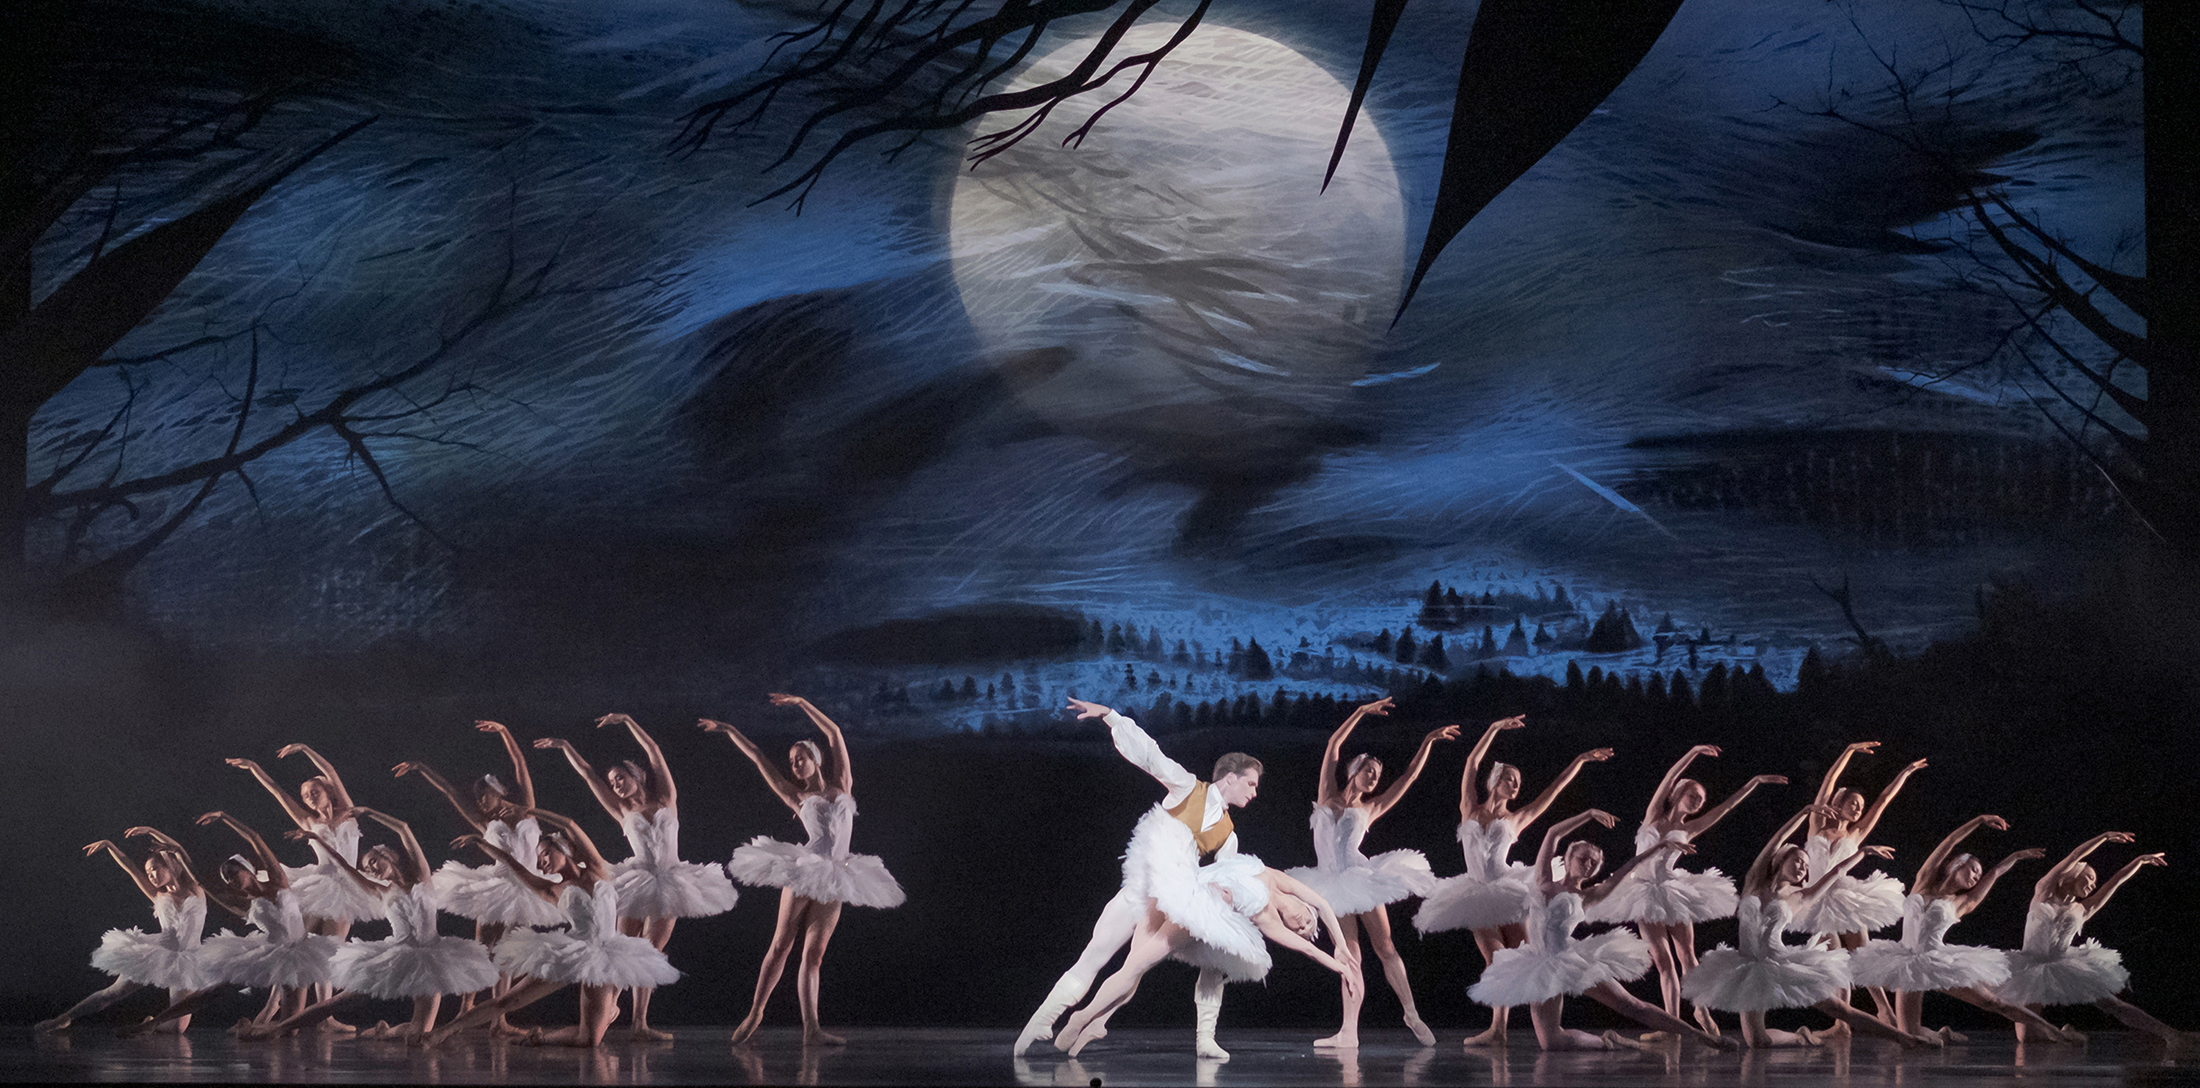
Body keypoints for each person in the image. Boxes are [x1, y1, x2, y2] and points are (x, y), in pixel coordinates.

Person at [1012, 697, 1265, 1058]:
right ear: (1230, 778)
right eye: (1251, 784)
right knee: (1094, 956)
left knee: (1140, 969)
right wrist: (1113, 717)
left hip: (1166, 906)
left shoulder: (1228, 834)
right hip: (1137, 891)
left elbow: (1227, 876)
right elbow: (1150, 755)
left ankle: (1197, 1036)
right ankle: (1041, 1022)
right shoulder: (1187, 787)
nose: (1254, 792)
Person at [714, 694, 904, 1046]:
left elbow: (833, 735)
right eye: (792, 760)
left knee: (814, 954)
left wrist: (802, 703)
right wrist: (729, 731)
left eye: (801, 758)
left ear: (815, 761)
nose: (795, 763)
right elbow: (758, 756)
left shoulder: (842, 785)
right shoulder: (796, 797)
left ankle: (812, 1029)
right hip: (806, 869)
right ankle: (756, 1011)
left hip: (838, 874)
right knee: (782, 944)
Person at [536, 713, 737, 1040]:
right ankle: (609, 1008)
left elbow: (654, 750)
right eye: (613, 781)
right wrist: (564, 746)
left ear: (637, 776)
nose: (615, 783)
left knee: (650, 953)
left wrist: (628, 721)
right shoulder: (622, 811)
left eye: (619, 777)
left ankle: (640, 1023)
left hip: (671, 881)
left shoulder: (666, 800)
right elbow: (589, 776)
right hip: (635, 880)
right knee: (620, 948)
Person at [1413, 715, 1612, 1045]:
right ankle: (1498, 1030)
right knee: (1494, 959)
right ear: (1495, 781)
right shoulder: (1469, 809)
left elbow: (1554, 790)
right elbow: (1472, 761)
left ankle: (1551, 1024)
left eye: (1518, 781)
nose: (1516, 785)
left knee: (1528, 957)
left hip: (1510, 890)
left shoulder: (1517, 818)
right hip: (1476, 893)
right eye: (1510, 779)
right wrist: (1492, 729)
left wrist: (1579, 761)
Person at [1467, 809, 1734, 1051]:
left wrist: (1660, 846)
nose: (1589, 864)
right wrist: (1588, 814)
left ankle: (1702, 1036)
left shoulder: (1589, 896)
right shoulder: (1544, 881)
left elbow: (1627, 868)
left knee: (1631, 1005)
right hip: (1538, 963)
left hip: (1570, 960)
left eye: (1594, 862)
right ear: (1569, 858)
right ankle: (1608, 1042)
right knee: (1551, 1042)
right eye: (1584, 858)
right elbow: (1552, 833)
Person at [423, 809, 680, 1048]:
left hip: (607, 953)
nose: (542, 862)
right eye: (539, 859)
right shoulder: (552, 889)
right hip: (572, 950)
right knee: (510, 1000)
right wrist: (483, 844)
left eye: (545, 853)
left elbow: (569, 824)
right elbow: (517, 868)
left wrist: (530, 812)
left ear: (563, 848)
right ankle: (445, 1031)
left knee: (589, 1039)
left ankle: (541, 1038)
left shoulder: (596, 869)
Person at [1683, 804, 1932, 1047]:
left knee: (1838, 1009)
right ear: (1782, 860)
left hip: (1779, 962)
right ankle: (1799, 1036)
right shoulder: (1755, 883)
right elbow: (1777, 839)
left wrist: (1862, 853)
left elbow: (1834, 872)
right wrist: (1802, 813)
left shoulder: (1799, 898)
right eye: (1799, 861)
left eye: (1805, 866)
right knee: (1757, 1041)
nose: (1803, 868)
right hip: (1746, 966)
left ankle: (1904, 1037)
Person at [1052, 866, 1364, 1059]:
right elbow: (1324, 903)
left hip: (1200, 911)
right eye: (1307, 920)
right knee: (1132, 968)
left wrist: (1335, 963)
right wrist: (1338, 944)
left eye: (1301, 929)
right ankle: (1088, 1021)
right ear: (1306, 905)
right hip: (1181, 888)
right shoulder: (1271, 875)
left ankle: (1083, 1018)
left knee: (1138, 966)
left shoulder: (1269, 920)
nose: (1301, 924)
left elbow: (1307, 950)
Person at [1284, 697, 1454, 1047]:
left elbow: (1407, 778)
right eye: (1369, 771)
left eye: (1377, 775)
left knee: (1386, 946)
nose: (1375, 777)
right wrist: (1360, 713)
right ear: (1354, 771)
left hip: (1360, 879)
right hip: (1329, 882)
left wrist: (1426, 743)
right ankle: (1348, 1031)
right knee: (1350, 954)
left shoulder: (1371, 807)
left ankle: (1411, 1013)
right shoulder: (1327, 794)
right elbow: (1334, 745)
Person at [246, 807, 499, 1041]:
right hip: (396, 956)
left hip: (433, 958)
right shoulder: (381, 891)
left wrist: (368, 811)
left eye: (374, 862)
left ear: (388, 857)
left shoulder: (422, 878)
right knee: (337, 1002)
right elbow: (344, 867)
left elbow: (403, 827)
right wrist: (319, 840)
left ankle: (384, 1032)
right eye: (368, 867)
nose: (372, 869)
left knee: (419, 1036)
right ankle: (278, 1028)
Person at [1588, 744, 1784, 1035]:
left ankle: (1701, 1011)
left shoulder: (1690, 828)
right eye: (1692, 795)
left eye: (1701, 799)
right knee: (1663, 961)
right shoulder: (1653, 815)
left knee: (1687, 956)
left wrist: (1752, 784)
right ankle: (1672, 1025)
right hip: (1642, 892)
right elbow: (1670, 775)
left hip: (1673, 891)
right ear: (1677, 794)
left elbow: (1726, 808)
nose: (1697, 801)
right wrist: (1693, 752)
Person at [1847, 814, 2075, 1044]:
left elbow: (1994, 873)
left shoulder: (1962, 903)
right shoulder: (1923, 881)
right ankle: (1942, 1034)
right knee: (1909, 1035)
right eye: (1973, 869)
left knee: (1992, 1003)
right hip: (1906, 960)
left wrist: (2015, 857)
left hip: (1937, 960)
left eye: (1978, 875)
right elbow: (1950, 842)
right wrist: (1979, 821)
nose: (1976, 877)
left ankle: (2050, 1030)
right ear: (1957, 864)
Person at [397, 721, 562, 1033]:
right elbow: (449, 792)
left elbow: (519, 763)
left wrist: (504, 731)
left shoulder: (527, 810)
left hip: (526, 886)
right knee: (481, 949)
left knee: (508, 952)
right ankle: (465, 1009)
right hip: (495, 886)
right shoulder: (483, 823)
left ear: (498, 792)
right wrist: (422, 768)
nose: (480, 802)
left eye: (484, 795)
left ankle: (499, 1019)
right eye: (477, 797)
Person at [1998, 832, 2198, 1050]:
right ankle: (2065, 1036)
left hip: (2063, 964)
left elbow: (2115, 881)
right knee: (2026, 1039)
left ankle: (2172, 1035)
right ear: (2073, 874)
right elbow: (2074, 855)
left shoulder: (2083, 909)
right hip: (2030, 966)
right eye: (2090, 878)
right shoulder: (2044, 892)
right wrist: (2103, 838)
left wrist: (2138, 861)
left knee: (2112, 1004)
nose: (2093, 884)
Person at [229, 744, 380, 1030]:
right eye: (305, 796)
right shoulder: (307, 820)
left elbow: (331, 772)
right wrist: (255, 768)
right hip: (317, 884)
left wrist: (305, 749)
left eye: (314, 792)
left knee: (330, 950)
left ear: (328, 791)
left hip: (345, 887)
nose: (309, 798)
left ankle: (325, 1015)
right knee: (297, 946)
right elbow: (278, 793)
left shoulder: (348, 813)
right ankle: (272, 1007)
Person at [1787, 741, 1925, 1023]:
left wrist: (1906, 773)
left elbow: (1883, 801)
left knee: (1863, 956)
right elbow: (1829, 781)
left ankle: (1884, 1009)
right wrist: (1848, 751)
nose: (1859, 809)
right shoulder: (1816, 825)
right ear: (1838, 803)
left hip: (1846, 898)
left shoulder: (1856, 835)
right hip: (1816, 901)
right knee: (1836, 960)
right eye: (1854, 803)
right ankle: (1843, 1021)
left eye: (1861, 807)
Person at [36, 832, 216, 1036]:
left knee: (177, 1029)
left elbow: (179, 851)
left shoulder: (195, 889)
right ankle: (63, 1019)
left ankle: (149, 1025)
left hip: (188, 959)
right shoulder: (158, 895)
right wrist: (111, 846)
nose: (151, 875)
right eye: (148, 872)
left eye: (155, 869)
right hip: (159, 952)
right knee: (115, 992)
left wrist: (150, 831)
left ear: (169, 866)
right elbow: (130, 868)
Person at [194, 812, 337, 1032]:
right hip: (274, 955)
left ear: (248, 869)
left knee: (291, 1026)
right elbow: (207, 890)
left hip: (298, 953)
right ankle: (254, 1027)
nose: (230, 880)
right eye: (227, 879)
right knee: (288, 1026)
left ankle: (256, 1028)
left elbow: (255, 838)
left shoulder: (277, 882)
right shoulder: (247, 903)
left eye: (232, 873)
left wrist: (225, 817)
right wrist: (182, 859)